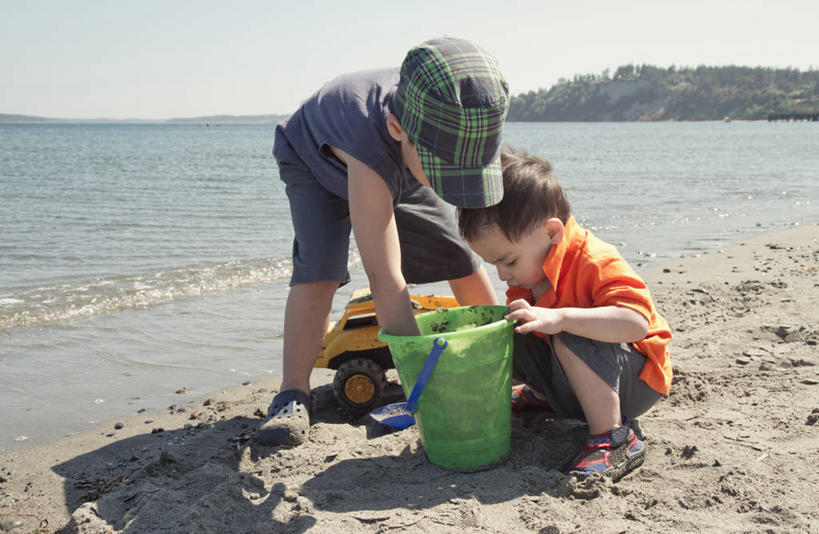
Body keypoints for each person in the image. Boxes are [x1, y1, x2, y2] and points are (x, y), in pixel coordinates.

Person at [256, 37, 510, 447]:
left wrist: (505, 360)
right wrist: (421, 386)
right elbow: (385, 276)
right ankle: (292, 393)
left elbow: (471, 244)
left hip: (405, 158)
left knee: (457, 253)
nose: (454, 186)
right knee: (319, 269)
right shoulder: (377, 145)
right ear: (397, 129)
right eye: (448, 173)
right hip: (314, 159)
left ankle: (503, 353)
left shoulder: (442, 124)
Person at [458, 148, 672, 480]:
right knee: (510, 326)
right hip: (574, 385)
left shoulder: (594, 259)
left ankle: (614, 438)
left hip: (634, 382)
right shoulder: (529, 275)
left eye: (509, 261)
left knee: (568, 331)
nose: (502, 275)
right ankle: (546, 395)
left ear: (552, 233)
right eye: (494, 264)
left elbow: (635, 323)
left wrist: (563, 319)